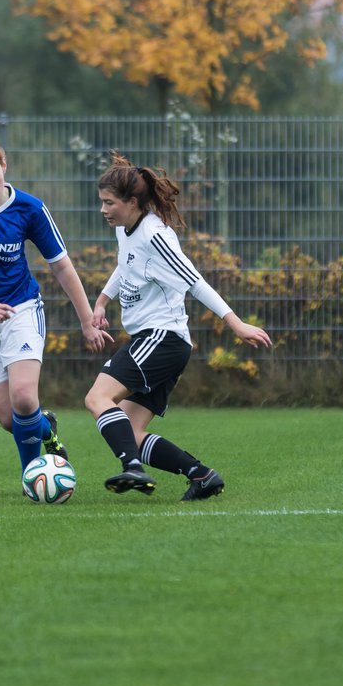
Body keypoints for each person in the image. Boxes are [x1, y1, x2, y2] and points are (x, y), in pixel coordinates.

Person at [83, 154, 272, 501]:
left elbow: (194, 281)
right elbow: (126, 264)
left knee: (97, 398)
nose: (103, 210)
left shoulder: (156, 236)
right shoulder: (127, 228)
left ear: (132, 202)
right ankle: (201, 475)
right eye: (102, 202)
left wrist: (236, 323)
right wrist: (102, 301)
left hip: (162, 338)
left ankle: (133, 469)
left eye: (109, 203)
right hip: (159, 341)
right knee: (131, 429)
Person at [0, 137, 111, 479]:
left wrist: (87, 320)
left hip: (21, 308)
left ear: (5, 167)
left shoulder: (29, 208)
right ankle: (47, 430)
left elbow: (61, 265)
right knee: (8, 418)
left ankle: (33, 475)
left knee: (25, 399)